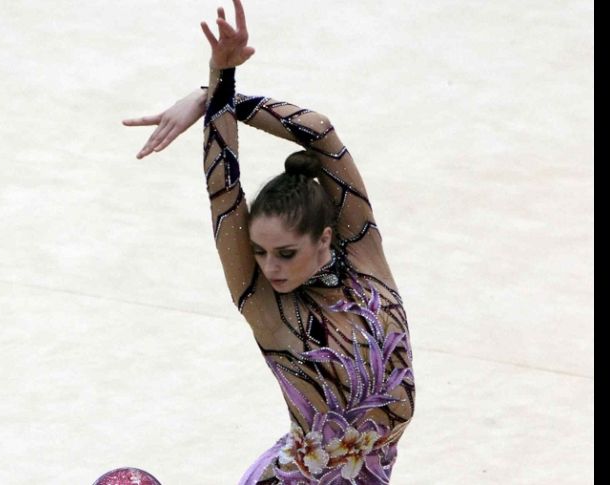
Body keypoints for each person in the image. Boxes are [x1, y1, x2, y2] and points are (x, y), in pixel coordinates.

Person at [123, 1, 414, 483]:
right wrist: (220, 74)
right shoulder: (269, 309)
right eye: (259, 252)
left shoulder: (367, 263)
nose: (269, 267)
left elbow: (320, 133)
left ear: (326, 238)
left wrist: (212, 96)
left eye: (285, 253)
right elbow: (224, 193)